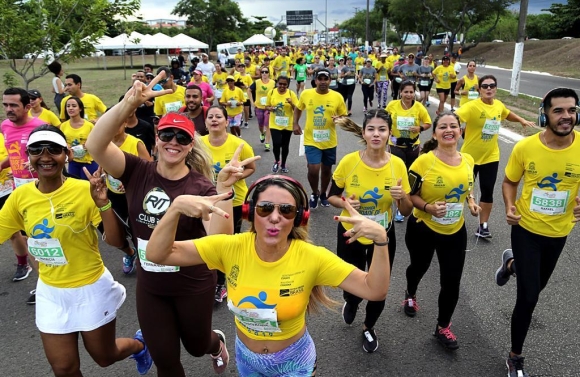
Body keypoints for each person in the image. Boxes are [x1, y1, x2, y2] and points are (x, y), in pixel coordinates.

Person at [86, 76, 258, 376]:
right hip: (151, 285)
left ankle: (215, 342)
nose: (173, 143)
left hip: (191, 284)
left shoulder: (202, 187)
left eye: (182, 137)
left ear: (191, 145)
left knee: (195, 345)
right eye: (167, 135)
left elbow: (218, 242)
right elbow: (95, 144)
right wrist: (129, 103)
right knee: (166, 360)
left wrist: (224, 188)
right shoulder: (137, 170)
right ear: (156, 139)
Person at [145, 174, 392, 376]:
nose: (275, 217)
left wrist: (381, 240)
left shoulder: (312, 257)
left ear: (298, 217)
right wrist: (175, 209)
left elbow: (374, 289)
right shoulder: (229, 248)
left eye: (286, 210)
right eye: (264, 208)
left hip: (294, 362)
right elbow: (158, 254)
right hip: (247, 359)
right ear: (250, 212)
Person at [0, 124, 153, 376]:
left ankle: (140, 345)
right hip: (51, 292)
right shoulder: (20, 196)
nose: (46, 156)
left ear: (66, 154)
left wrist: (103, 204)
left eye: (54, 149)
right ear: (28, 156)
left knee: (105, 357)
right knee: (63, 368)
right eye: (37, 150)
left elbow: (114, 241)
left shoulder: (85, 190)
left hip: (89, 287)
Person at [495, 88, 580, 377]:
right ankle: (515, 356)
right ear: (545, 113)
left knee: (536, 286)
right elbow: (509, 183)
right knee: (529, 297)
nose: (566, 116)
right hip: (526, 229)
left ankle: (511, 264)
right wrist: (509, 206)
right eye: (558, 110)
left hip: (559, 232)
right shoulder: (526, 148)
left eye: (571, 109)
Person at [329, 110, 412, 353]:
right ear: (364, 132)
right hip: (351, 233)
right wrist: (345, 203)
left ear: (390, 134)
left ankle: (369, 325)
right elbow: (331, 196)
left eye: (382, 129)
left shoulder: (397, 164)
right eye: (371, 129)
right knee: (351, 280)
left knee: (379, 285)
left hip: (382, 237)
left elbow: (406, 211)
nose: (376, 134)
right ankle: (351, 301)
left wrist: (402, 197)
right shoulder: (349, 161)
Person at [403, 111, 480, 350]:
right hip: (423, 227)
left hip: (455, 230)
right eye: (443, 126)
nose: (449, 130)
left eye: (454, 126)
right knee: (419, 267)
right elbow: (409, 195)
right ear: (435, 133)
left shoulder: (468, 159)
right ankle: (410, 292)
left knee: (452, 281)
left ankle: (442, 326)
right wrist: (427, 207)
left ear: (460, 131)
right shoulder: (424, 161)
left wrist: (471, 203)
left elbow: (466, 188)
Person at [455, 75, 535, 238]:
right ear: (479, 89)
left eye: (492, 85)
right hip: (469, 156)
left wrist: (520, 119)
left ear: (496, 88)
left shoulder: (498, 105)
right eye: (485, 86)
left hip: (491, 156)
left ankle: (483, 226)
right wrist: (451, 132)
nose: (489, 88)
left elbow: (507, 114)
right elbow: (455, 117)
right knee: (462, 189)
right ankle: (455, 220)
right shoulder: (472, 107)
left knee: (487, 191)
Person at [200, 105, 257, 302]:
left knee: (226, 242)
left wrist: (240, 175)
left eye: (218, 117)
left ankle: (221, 284)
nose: (214, 120)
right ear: (206, 122)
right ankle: (207, 277)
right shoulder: (197, 144)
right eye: (210, 117)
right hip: (205, 200)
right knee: (206, 240)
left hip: (233, 200)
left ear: (226, 121)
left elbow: (251, 167)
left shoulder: (239, 144)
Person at [1, 87, 46, 282]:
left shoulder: (41, 127)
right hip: (17, 188)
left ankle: (49, 280)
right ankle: (24, 264)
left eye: (13, 105)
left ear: (28, 106)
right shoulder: (5, 126)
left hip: (40, 188)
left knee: (41, 237)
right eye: (5, 105)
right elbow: (13, 155)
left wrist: (38, 164)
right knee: (14, 231)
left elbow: (59, 155)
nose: (8, 109)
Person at [293, 69, 348, 209]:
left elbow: (344, 116)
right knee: (313, 169)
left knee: (326, 170)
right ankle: (314, 192)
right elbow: (298, 108)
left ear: (330, 81)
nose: (323, 82)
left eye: (326, 79)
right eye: (320, 79)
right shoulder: (306, 94)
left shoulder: (337, 97)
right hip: (311, 139)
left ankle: (323, 193)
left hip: (329, 140)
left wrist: (339, 119)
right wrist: (295, 123)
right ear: (315, 80)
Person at [386, 81, 432, 222]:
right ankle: (400, 208)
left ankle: (409, 204)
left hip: (412, 146)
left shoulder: (419, 107)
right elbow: (384, 119)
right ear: (400, 92)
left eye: (411, 92)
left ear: (414, 93)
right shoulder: (392, 105)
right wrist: (388, 129)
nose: (408, 95)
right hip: (395, 145)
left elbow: (428, 123)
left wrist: (420, 128)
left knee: (410, 176)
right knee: (400, 176)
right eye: (405, 92)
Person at [60, 96, 99, 179]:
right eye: (68, 106)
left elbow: (96, 143)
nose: (70, 108)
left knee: (87, 187)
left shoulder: (89, 126)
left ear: (80, 108)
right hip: (73, 162)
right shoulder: (63, 126)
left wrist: (88, 145)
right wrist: (66, 145)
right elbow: (62, 141)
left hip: (89, 162)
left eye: (74, 106)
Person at [266, 76, 298, 174]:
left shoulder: (291, 94)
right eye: (280, 83)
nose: (282, 86)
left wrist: (291, 103)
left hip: (287, 124)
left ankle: (283, 164)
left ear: (287, 85)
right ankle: (276, 161)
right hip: (274, 123)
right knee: (276, 144)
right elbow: (266, 106)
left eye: (285, 84)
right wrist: (270, 108)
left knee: (285, 145)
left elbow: (297, 109)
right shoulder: (271, 92)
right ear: (277, 83)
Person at [253, 68, 275, 151]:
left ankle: (267, 143)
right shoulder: (257, 82)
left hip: (268, 107)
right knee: (260, 124)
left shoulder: (273, 83)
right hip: (259, 106)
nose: (264, 73)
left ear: (269, 73)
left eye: (266, 72)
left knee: (267, 125)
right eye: (262, 72)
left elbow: (276, 92)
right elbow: (249, 90)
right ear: (260, 73)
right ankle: (262, 133)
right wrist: (252, 102)